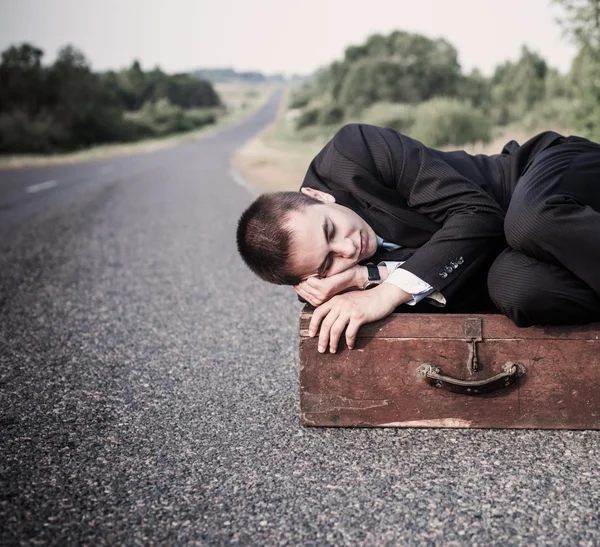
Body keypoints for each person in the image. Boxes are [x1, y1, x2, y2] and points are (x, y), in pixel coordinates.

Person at [237, 123, 600, 354]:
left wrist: (383, 287)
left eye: (330, 230)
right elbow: (462, 279)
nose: (349, 249)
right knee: (517, 288)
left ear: (317, 196)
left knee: (529, 220)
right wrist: (362, 281)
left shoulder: (355, 152)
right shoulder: (340, 284)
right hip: (523, 251)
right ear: (310, 279)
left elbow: (477, 214)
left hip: (546, 177)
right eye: (328, 262)